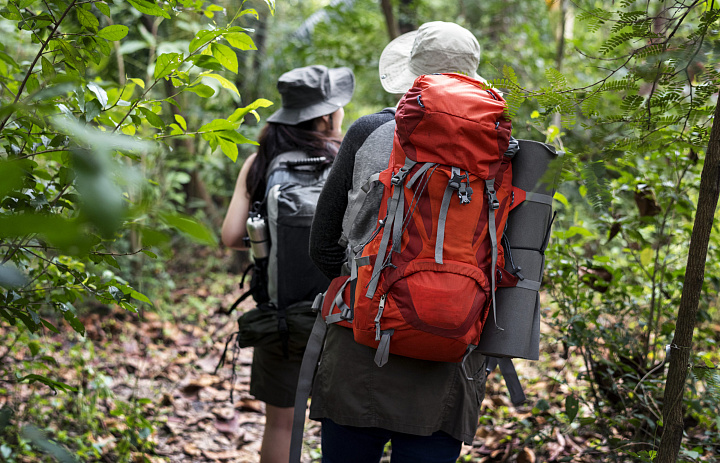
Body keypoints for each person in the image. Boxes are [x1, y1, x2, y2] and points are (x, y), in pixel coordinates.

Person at [308, 22, 490, 463]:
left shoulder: (368, 132)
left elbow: (322, 245)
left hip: (359, 340)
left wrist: (369, 288)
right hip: (450, 348)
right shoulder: (500, 149)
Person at [222, 64, 355, 463]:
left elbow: (230, 236)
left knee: (280, 423)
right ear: (326, 115)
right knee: (345, 424)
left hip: (281, 317)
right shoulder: (348, 157)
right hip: (342, 314)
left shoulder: (262, 161)